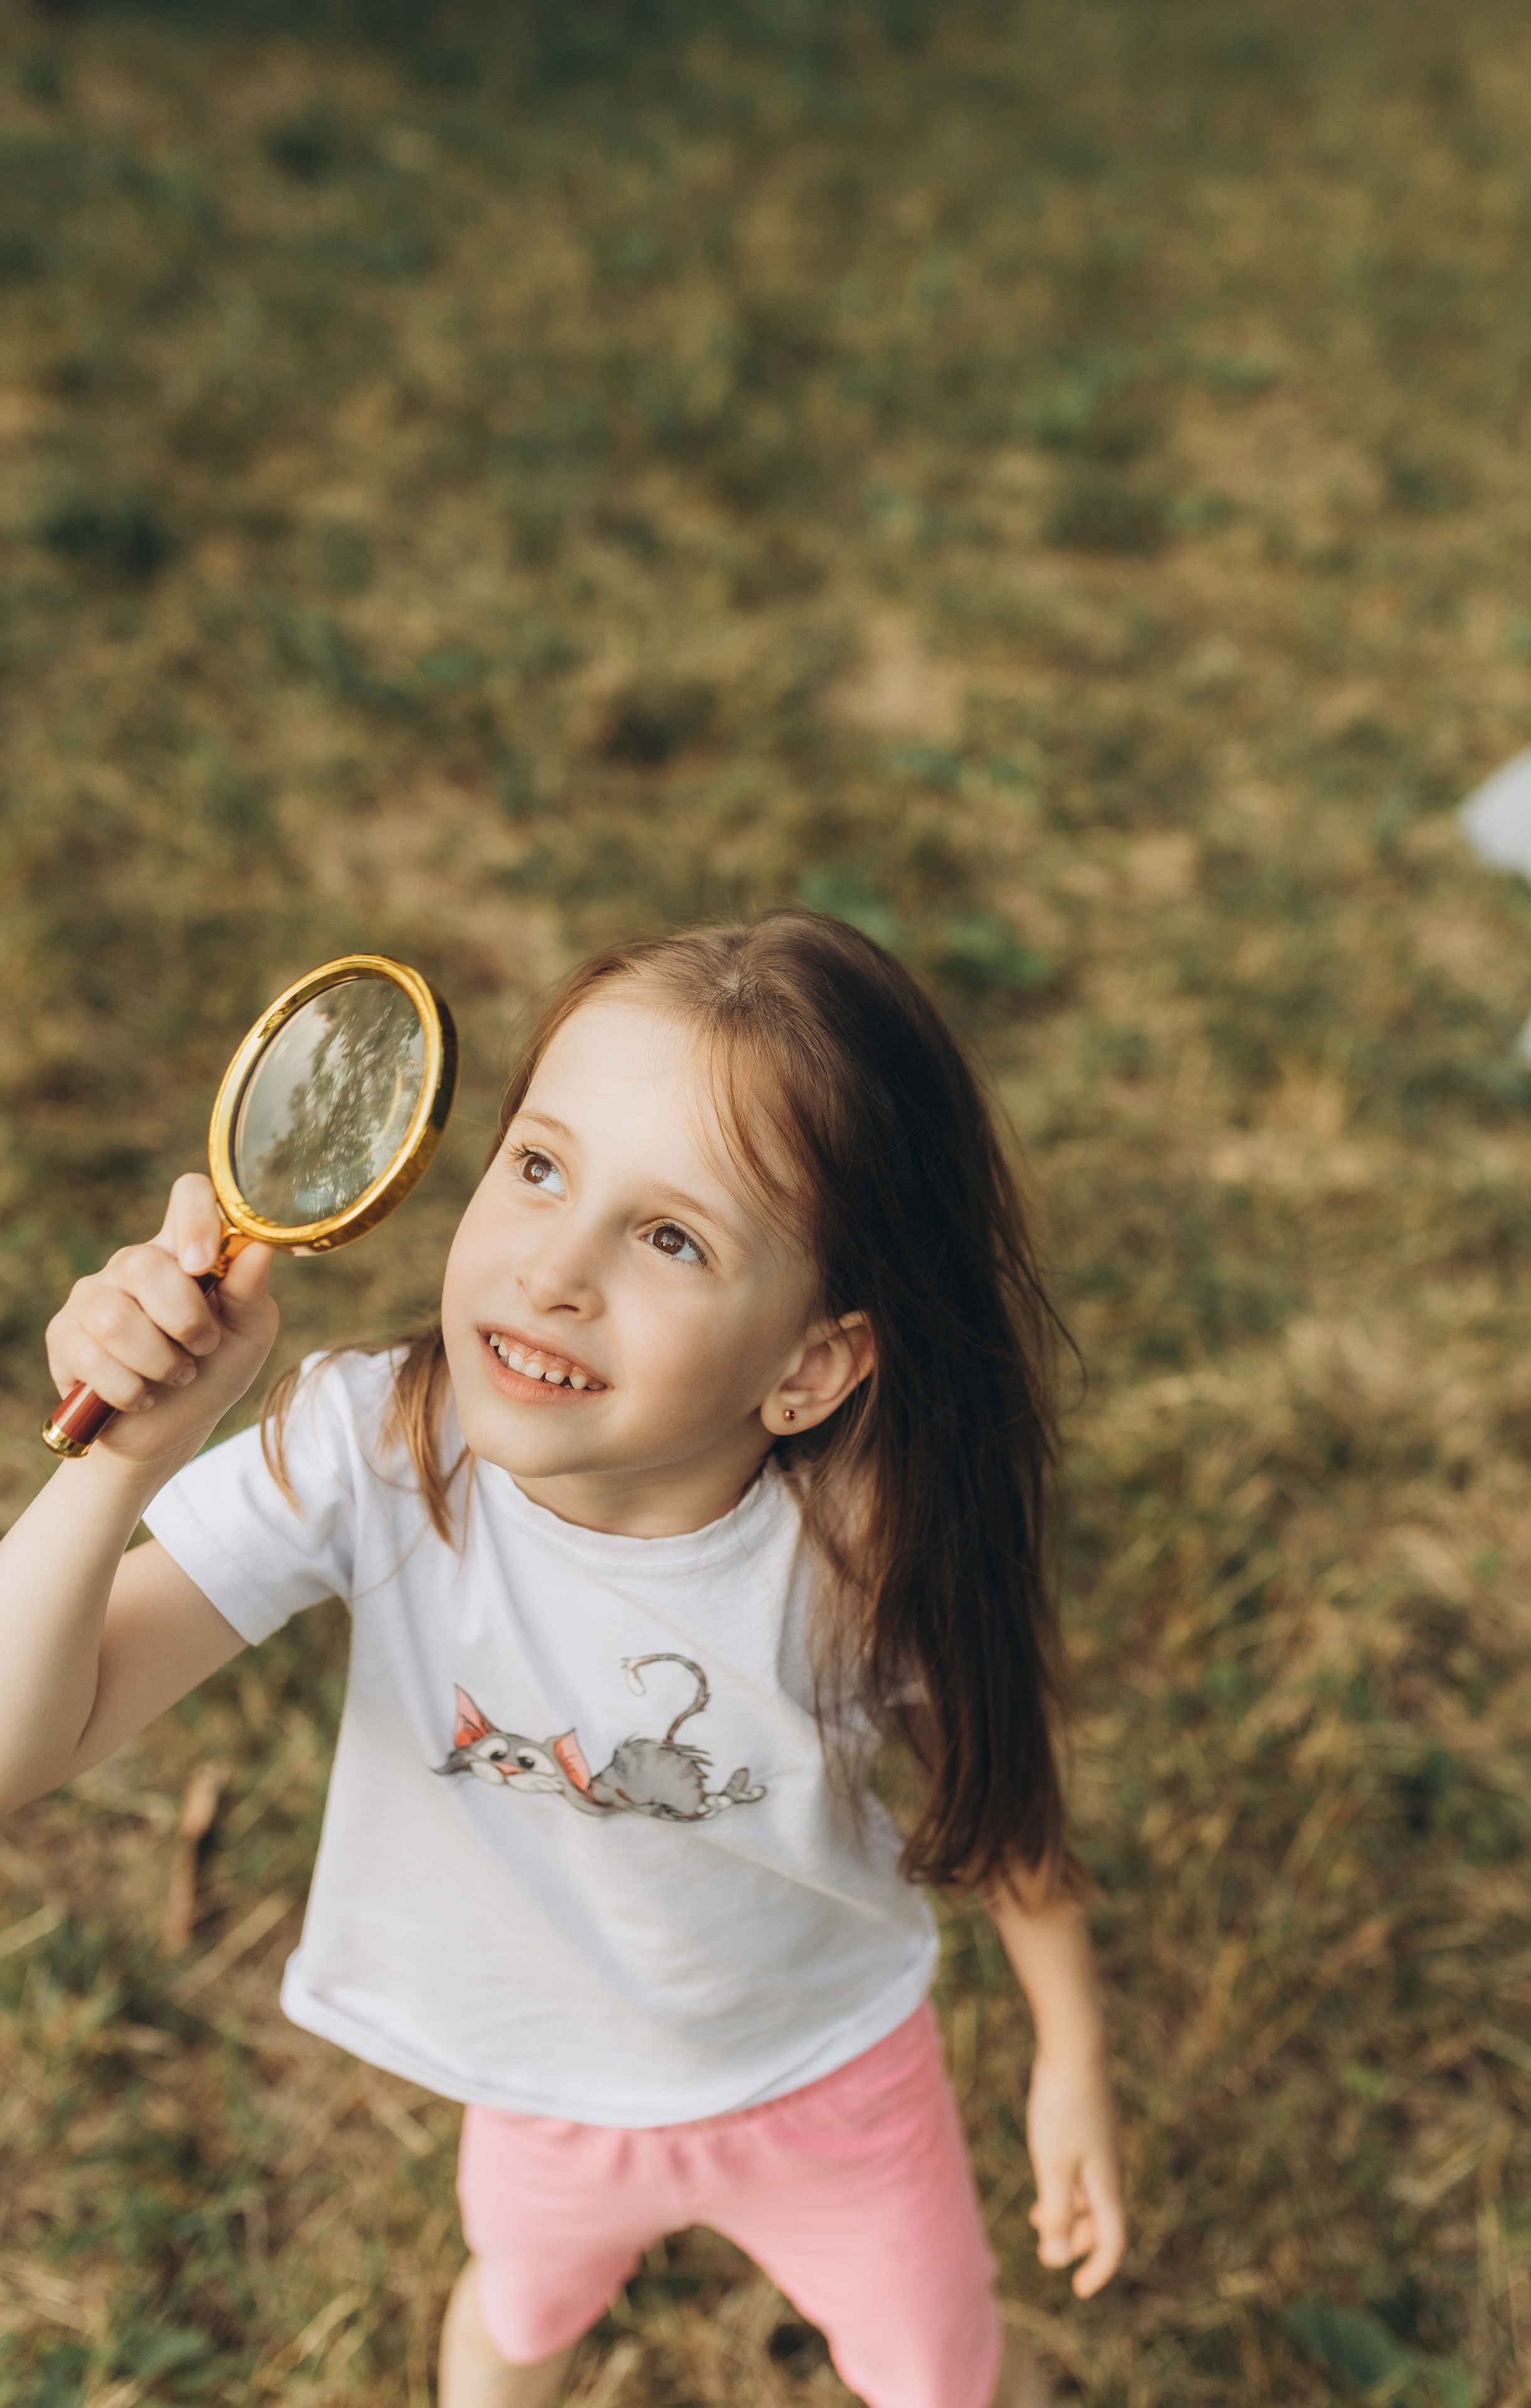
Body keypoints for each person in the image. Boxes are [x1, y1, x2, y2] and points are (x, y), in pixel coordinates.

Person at [0, 912, 1125, 2408]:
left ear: (806, 1367)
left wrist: (1070, 2050)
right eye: (538, 1168)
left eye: (670, 1236)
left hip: (828, 2077)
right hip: (539, 2089)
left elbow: (998, 1799)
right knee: (515, 2327)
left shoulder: (861, 1556)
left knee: (942, 2376)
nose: (552, 1271)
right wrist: (116, 1468)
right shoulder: (370, 1451)